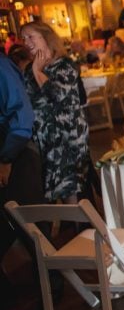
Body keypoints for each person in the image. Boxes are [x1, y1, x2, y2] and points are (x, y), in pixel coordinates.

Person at [0, 50, 46, 310]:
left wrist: (6, 160)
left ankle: (51, 290)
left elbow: (22, 116)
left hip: (13, 155)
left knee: (31, 229)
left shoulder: (2, 68)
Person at [20, 21, 90, 204]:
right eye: (23, 38)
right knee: (51, 191)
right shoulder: (29, 68)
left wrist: (37, 70)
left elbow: (56, 94)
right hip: (44, 139)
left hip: (67, 137)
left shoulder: (65, 65)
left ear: (45, 37)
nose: (26, 42)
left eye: (30, 37)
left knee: (69, 190)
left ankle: (82, 229)